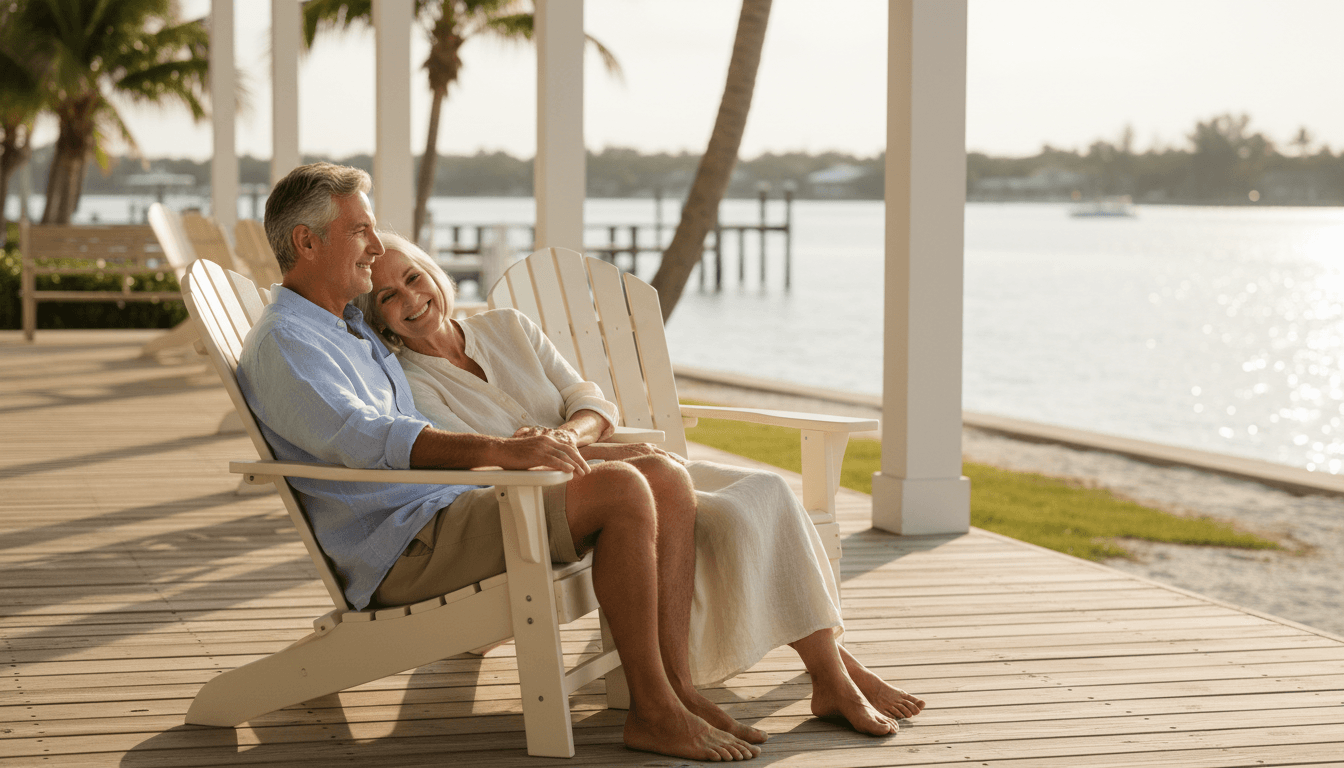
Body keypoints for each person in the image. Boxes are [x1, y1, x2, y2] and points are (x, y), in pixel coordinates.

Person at [238, 162, 759, 762]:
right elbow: (364, 438)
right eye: (361, 231)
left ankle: (676, 692)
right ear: (307, 242)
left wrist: (576, 443)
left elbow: (419, 328)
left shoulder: (346, 325)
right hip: (407, 546)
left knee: (662, 474)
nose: (376, 247)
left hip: (451, 509)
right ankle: (653, 711)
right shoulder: (289, 342)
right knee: (619, 490)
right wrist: (503, 450)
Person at [356, 232, 926, 739]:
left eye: (413, 277)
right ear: (378, 317)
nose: (411, 298)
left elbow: (591, 401)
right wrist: (602, 451)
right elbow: (505, 460)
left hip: (611, 462)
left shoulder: (507, 326)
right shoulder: (408, 380)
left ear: (434, 273)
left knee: (767, 492)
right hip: (557, 499)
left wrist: (573, 435)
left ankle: (831, 673)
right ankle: (796, 678)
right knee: (720, 512)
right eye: (388, 296)